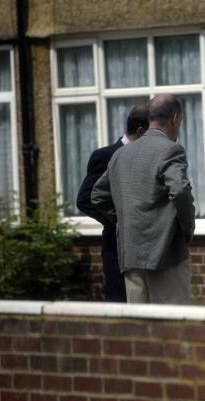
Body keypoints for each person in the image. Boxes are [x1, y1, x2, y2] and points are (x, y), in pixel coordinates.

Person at [91, 94, 195, 304]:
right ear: (175, 119)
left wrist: (123, 221)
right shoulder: (171, 149)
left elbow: (97, 195)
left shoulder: (121, 154)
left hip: (131, 256)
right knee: (173, 328)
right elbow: (181, 191)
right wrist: (187, 228)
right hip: (167, 255)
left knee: (141, 330)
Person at [76, 104, 149, 302]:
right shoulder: (105, 155)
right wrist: (120, 221)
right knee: (120, 306)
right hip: (116, 250)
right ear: (141, 131)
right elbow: (85, 200)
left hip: (144, 250)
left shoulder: (147, 157)